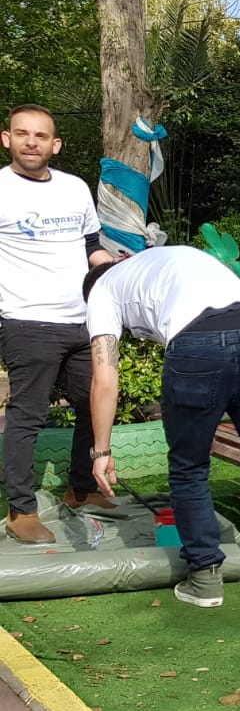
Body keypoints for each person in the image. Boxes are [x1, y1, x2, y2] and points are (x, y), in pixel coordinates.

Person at [83, 245, 240, 609]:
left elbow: (104, 378)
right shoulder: (156, 260)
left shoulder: (100, 291)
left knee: (189, 469)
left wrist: (101, 450)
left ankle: (205, 579)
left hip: (196, 346)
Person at [0, 104, 117, 544]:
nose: (32, 141)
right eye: (22, 133)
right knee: (28, 417)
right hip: (27, 321)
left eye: (41, 135)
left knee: (94, 407)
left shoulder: (74, 188)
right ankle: (21, 512)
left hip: (84, 321)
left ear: (55, 144)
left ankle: (80, 490)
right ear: (7, 138)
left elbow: (90, 245)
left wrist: (113, 268)